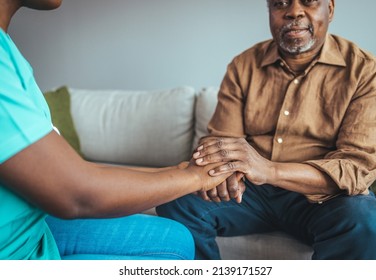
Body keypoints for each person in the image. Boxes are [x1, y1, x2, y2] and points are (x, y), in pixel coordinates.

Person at [156, 0, 376, 260]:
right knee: (177, 200)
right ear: (270, 12)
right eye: (280, 4)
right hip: (251, 192)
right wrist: (224, 172)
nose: (293, 11)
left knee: (366, 222)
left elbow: (357, 167)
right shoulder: (243, 65)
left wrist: (268, 170)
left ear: (331, 9)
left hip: (326, 196)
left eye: (309, 2)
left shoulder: (365, 70)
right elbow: (223, 141)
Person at [0, 0, 233, 260]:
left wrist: (180, 171)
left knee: (177, 238)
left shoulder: (7, 49)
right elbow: (76, 194)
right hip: (14, 252)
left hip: (31, 228)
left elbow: (71, 170)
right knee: (169, 257)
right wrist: (196, 177)